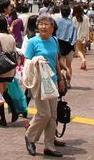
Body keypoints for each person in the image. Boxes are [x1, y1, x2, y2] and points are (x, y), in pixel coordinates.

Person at [23, 13, 67, 157]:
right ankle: (30, 137)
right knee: (44, 113)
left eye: (46, 24)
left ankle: (49, 145)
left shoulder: (54, 40)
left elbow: (55, 60)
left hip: (52, 81)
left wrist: (60, 79)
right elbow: (26, 62)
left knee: (53, 115)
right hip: (39, 81)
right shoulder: (33, 42)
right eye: (40, 24)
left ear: (52, 28)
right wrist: (37, 60)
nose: (42, 26)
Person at [72, 4, 90, 70]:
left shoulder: (74, 18)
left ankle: (83, 60)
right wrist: (87, 37)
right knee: (83, 50)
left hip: (77, 36)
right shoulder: (86, 17)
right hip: (85, 35)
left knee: (78, 50)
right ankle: (83, 65)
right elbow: (89, 27)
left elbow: (73, 28)